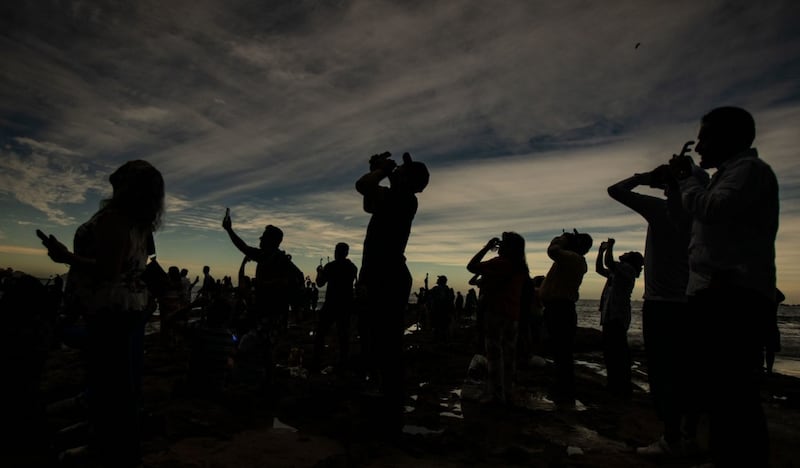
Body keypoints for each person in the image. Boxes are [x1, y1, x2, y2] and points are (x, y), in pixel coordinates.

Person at [669, 106, 778, 467]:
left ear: (728, 138)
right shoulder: (731, 174)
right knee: (722, 390)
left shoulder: (749, 171)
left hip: (731, 297)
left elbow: (713, 208)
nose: (698, 145)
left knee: (732, 392)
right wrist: (692, 176)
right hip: (722, 294)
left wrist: (687, 178)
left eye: (705, 137)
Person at [38, 160, 164, 467]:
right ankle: (106, 437)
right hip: (131, 307)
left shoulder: (115, 218)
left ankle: (106, 447)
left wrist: (65, 256)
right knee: (119, 384)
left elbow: (109, 270)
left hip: (111, 310)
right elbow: (134, 265)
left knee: (109, 382)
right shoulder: (141, 223)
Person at [608, 158, 708, 456]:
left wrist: (643, 176)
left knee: (664, 375)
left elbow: (615, 190)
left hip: (661, 305)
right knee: (689, 374)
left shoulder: (661, 210)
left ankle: (671, 439)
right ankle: (688, 436)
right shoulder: (702, 215)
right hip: (692, 302)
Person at [356, 150, 429, 435]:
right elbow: (368, 203)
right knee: (378, 336)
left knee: (384, 338)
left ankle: (389, 400)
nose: (395, 172)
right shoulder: (398, 198)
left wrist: (381, 170)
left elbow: (363, 186)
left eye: (400, 172)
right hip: (384, 275)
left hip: (387, 276)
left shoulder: (404, 199)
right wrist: (379, 169)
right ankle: (385, 393)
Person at [222, 213, 304, 385]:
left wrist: (274, 283)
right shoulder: (264, 256)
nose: (260, 240)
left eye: (263, 237)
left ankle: (267, 380)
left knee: (266, 347)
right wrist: (229, 230)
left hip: (274, 312)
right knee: (260, 344)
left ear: (272, 241)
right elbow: (243, 247)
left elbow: (298, 278)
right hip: (261, 309)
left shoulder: (280, 259)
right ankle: (263, 378)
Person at [467, 232, 530, 404]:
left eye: (503, 243)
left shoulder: (499, 263)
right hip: (513, 316)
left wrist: (487, 247)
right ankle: (508, 392)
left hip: (495, 314)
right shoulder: (521, 268)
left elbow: (471, 266)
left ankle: (495, 395)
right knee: (509, 356)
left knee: (494, 355)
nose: (500, 245)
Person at [538, 229, 592, 407]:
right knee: (561, 351)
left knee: (562, 351)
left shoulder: (573, 258)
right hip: (559, 308)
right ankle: (563, 387)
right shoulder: (572, 259)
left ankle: (564, 390)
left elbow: (552, 250)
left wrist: (563, 238)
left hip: (561, 309)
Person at [595, 238, 643, 399]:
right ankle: (614, 384)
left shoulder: (627, 269)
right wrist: (601, 251)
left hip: (617, 315)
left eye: (628, 253)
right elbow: (599, 269)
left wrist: (610, 247)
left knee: (617, 351)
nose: (625, 253)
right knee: (611, 351)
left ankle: (620, 386)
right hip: (611, 314)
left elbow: (608, 263)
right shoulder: (620, 270)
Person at [311, 242, 358, 372]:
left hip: (331, 304)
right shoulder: (352, 267)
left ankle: (316, 361)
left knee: (321, 333)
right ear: (347, 253)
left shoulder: (330, 266)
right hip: (346, 304)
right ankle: (343, 363)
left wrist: (319, 272)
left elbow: (320, 283)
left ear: (336, 252)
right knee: (343, 335)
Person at [428, 275, 455, 343]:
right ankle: (444, 342)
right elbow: (451, 302)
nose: (437, 280)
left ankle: (437, 342)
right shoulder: (448, 290)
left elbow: (427, 293)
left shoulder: (436, 288)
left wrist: (426, 283)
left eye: (438, 279)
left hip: (437, 311)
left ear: (440, 281)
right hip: (445, 312)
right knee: (444, 328)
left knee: (437, 327)